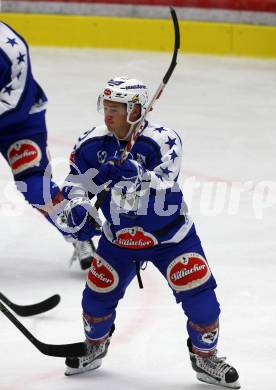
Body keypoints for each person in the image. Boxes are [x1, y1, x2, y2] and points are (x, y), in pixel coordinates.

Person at [61, 76, 240, 388]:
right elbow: (75, 183)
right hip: (117, 240)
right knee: (95, 301)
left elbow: (165, 182)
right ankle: (95, 346)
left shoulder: (162, 140)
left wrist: (134, 172)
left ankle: (205, 357)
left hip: (170, 239)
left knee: (204, 304)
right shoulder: (92, 143)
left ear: (136, 109)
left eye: (117, 107)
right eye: (107, 106)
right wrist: (77, 205)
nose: (109, 113)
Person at [0, 21, 95, 269]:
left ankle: (78, 233)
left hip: (19, 123)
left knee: (35, 187)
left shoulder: (11, 48)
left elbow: (14, 104)